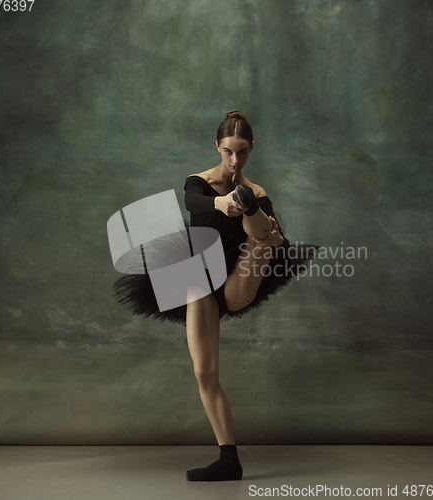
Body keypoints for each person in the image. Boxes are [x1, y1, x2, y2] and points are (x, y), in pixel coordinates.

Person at [112, 111, 320, 482]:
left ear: (251, 149)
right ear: (217, 147)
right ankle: (229, 459)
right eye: (228, 152)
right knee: (204, 371)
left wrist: (266, 229)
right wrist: (220, 204)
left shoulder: (258, 190)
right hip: (199, 278)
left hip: (240, 277)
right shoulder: (200, 182)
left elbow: (277, 241)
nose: (234, 160)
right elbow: (192, 203)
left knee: (263, 237)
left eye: (242, 152)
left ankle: (257, 221)